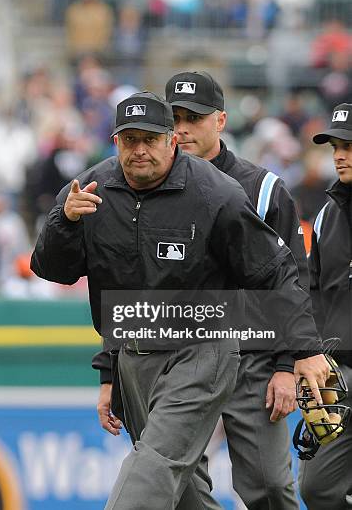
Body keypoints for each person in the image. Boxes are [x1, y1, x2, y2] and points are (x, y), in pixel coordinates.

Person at [30, 91, 329, 509]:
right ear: (115, 142)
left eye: (149, 139)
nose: (139, 150)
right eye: (129, 139)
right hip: (134, 355)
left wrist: (302, 351)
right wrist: (64, 222)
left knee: (156, 465)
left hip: (202, 348)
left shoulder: (215, 193)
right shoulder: (91, 189)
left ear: (171, 141)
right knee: (184, 493)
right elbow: (52, 270)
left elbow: (275, 270)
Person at [166, 70, 307, 510]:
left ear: (221, 120)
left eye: (195, 117)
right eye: (176, 118)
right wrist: (112, 370)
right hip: (182, 361)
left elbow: (295, 282)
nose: (184, 128)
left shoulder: (264, 189)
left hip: (254, 361)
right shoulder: (152, 188)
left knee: (268, 489)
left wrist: (287, 364)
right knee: (175, 486)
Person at [299, 103, 352, 510]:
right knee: (318, 488)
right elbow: (311, 295)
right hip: (340, 378)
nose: (339, 154)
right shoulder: (325, 217)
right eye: (335, 145)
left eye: (349, 145)